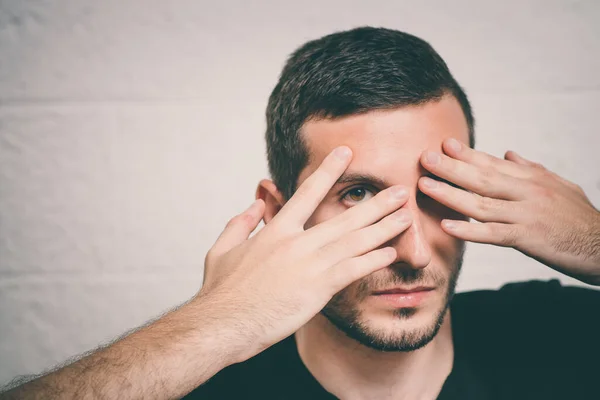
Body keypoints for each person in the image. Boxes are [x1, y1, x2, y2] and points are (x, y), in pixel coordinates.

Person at [2, 26, 599, 400]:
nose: (415, 253)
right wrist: (219, 324)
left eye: (438, 191)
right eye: (360, 196)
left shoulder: (556, 338)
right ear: (280, 213)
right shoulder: (202, 381)